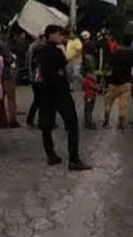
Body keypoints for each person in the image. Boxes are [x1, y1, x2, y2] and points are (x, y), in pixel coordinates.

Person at [37, 25, 92, 171]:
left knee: (46, 125)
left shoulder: (42, 51)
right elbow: (63, 68)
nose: (62, 37)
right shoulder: (56, 51)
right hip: (60, 92)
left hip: (46, 92)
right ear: (50, 35)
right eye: (59, 34)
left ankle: (51, 155)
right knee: (72, 124)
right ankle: (73, 159)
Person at [102, 42, 133, 131]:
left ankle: (106, 121)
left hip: (113, 82)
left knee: (108, 102)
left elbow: (107, 66)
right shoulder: (132, 55)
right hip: (126, 83)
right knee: (123, 104)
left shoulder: (115, 53)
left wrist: (104, 77)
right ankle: (121, 124)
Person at [0, 31, 20, 128]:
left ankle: (1, 119)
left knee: (0, 99)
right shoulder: (3, 45)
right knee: (11, 98)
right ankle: (12, 120)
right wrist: (13, 58)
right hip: (6, 73)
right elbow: (9, 59)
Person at [25, 34, 46, 127]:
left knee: (37, 100)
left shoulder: (32, 47)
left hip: (34, 77)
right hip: (39, 78)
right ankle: (41, 121)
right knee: (41, 100)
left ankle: (31, 119)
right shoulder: (39, 48)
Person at [81, 61, 100, 129]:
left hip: (90, 96)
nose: (93, 74)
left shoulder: (87, 80)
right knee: (89, 110)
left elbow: (83, 88)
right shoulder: (87, 80)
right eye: (92, 73)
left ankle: (87, 122)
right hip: (90, 97)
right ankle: (89, 123)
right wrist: (98, 87)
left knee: (88, 110)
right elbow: (94, 87)